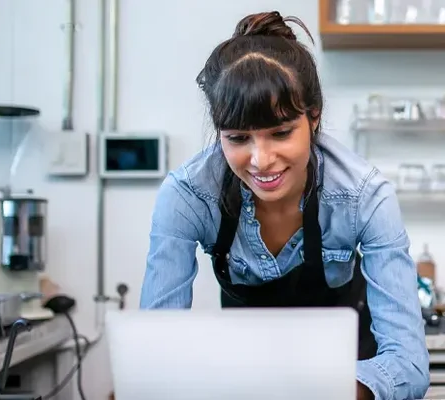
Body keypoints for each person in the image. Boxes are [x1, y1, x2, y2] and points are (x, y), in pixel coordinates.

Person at [139, 11, 430, 400]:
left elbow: (409, 366)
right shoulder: (187, 196)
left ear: (314, 118)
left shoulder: (364, 196)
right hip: (246, 384)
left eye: (280, 133)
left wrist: (321, 389)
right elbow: (157, 353)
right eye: (238, 138)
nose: (261, 161)